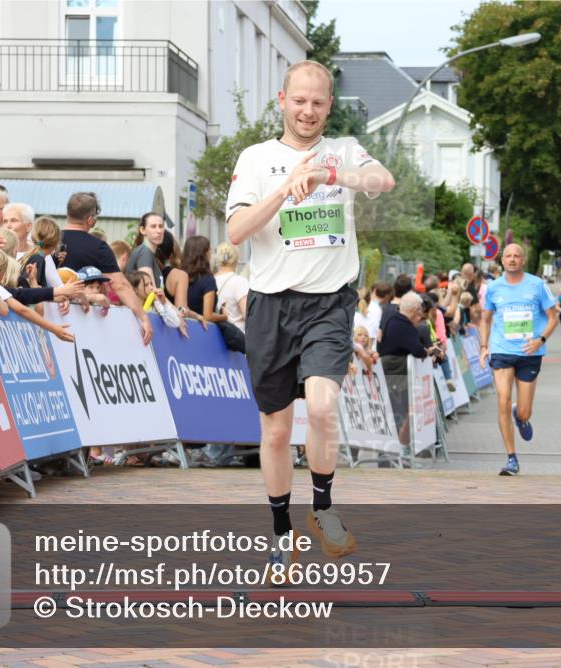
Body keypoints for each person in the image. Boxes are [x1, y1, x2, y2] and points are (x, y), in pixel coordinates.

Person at [225, 59, 395, 579]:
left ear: (329, 106)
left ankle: (322, 508)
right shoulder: (256, 158)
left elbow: (382, 180)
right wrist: (283, 190)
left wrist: (328, 173)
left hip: (329, 302)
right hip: (272, 306)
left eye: (319, 103)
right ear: (282, 100)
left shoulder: (342, 150)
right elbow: (235, 233)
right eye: (299, 101)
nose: (309, 111)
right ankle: (281, 534)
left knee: (322, 407)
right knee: (275, 434)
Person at [479, 243, 557, 476]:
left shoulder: (537, 285)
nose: (512, 259)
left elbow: (553, 318)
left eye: (517, 256)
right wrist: (484, 346)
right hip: (502, 350)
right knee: (502, 399)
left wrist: (540, 340)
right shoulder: (493, 288)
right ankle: (511, 458)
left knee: (524, 411)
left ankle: (520, 417)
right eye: (508, 256)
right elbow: (485, 319)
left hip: (529, 353)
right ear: (502, 260)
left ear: (523, 260)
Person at [60, 192, 152, 344]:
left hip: (54, 316)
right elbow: (119, 285)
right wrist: (143, 318)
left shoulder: (52, 241)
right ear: (90, 220)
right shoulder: (99, 247)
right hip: (84, 324)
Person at [378, 292, 436, 446]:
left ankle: (396, 450)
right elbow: (417, 350)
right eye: (420, 310)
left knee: (396, 413)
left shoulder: (392, 319)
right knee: (400, 413)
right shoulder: (404, 325)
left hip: (392, 372)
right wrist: (428, 352)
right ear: (416, 309)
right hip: (397, 374)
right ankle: (399, 449)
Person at [213, 241, 248, 334]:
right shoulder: (240, 282)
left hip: (217, 336)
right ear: (236, 260)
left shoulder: (211, 280)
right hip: (237, 338)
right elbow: (248, 315)